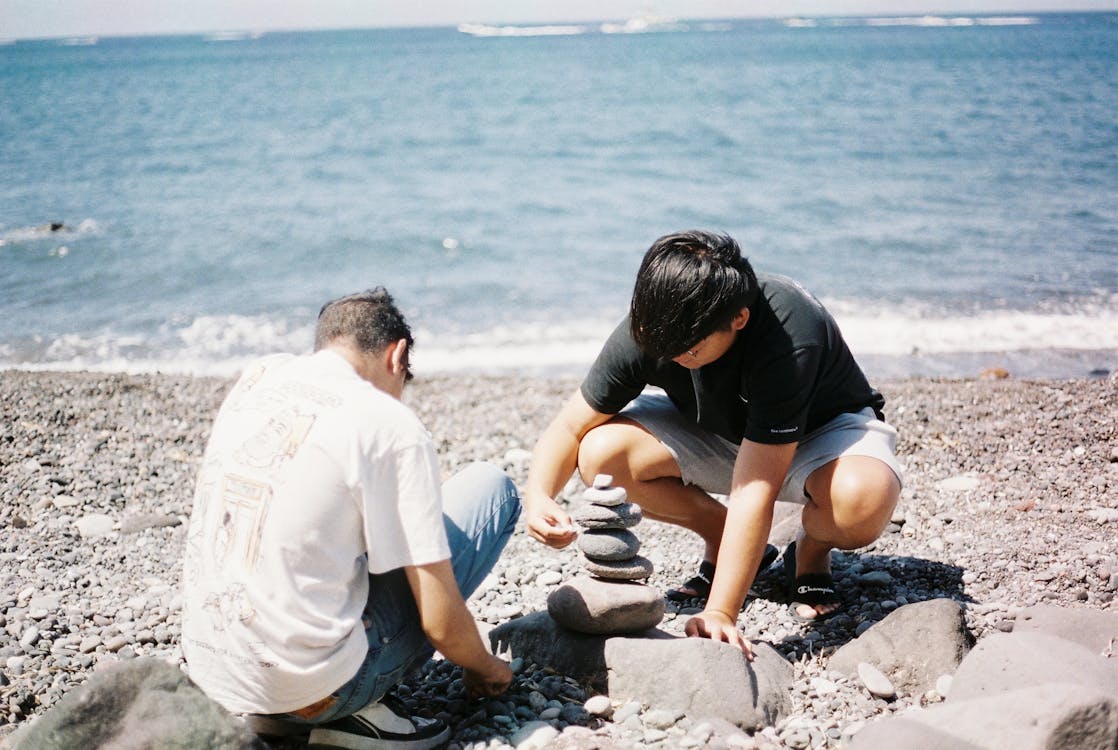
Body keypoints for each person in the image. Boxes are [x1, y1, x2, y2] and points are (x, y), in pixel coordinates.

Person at [524, 230, 902, 658]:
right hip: (724, 430)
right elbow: (569, 427)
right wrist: (538, 497)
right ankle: (727, 539)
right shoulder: (654, 324)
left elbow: (755, 486)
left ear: (738, 319)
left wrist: (721, 611)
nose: (672, 353)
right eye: (661, 343)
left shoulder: (789, 333)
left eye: (689, 347)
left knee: (861, 502)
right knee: (601, 454)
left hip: (823, 433)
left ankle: (810, 551)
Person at [181, 288, 520, 749]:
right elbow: (440, 624)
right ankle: (351, 714)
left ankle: (281, 714)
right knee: (490, 487)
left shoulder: (258, 378)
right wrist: (488, 668)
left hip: (222, 675)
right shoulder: (389, 423)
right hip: (321, 690)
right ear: (397, 356)